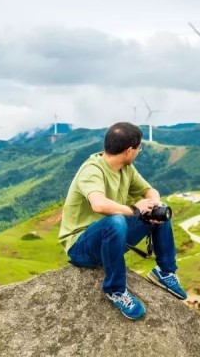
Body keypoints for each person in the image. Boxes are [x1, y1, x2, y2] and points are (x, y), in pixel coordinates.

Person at [58, 122, 187, 320]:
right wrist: (135, 210)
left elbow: (150, 191)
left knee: (158, 212)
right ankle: (115, 290)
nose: (139, 152)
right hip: (81, 247)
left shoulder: (126, 168)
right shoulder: (92, 170)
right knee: (116, 220)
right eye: (139, 148)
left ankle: (165, 272)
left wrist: (153, 204)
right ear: (129, 150)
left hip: (111, 239)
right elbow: (99, 205)